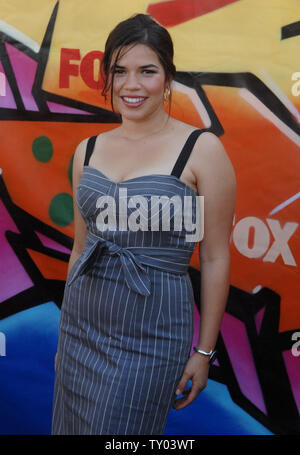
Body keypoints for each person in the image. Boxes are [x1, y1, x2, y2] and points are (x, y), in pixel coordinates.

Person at [51, 13, 236, 435]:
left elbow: (214, 257)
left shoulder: (201, 150)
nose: (131, 85)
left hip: (151, 337)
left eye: (146, 71)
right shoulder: (88, 149)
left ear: (168, 76)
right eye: (119, 71)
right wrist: (65, 340)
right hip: (82, 329)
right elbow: (81, 249)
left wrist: (204, 353)